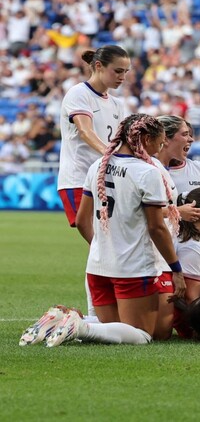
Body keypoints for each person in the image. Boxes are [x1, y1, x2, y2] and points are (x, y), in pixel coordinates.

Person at [19, 115, 186, 348]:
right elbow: (157, 227)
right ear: (146, 139)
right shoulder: (147, 172)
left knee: (109, 331)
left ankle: (61, 319)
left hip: (97, 266)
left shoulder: (98, 165)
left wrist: (100, 246)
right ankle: (79, 326)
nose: (159, 149)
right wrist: (176, 269)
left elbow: (81, 220)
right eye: (158, 143)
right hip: (132, 267)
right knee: (143, 335)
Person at [57, 45, 131, 228]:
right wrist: (112, 156)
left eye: (126, 72)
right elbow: (85, 132)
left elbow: (120, 141)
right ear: (99, 66)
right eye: (118, 71)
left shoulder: (117, 104)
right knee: (102, 241)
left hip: (108, 178)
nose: (122, 77)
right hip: (80, 177)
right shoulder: (79, 93)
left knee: (110, 240)